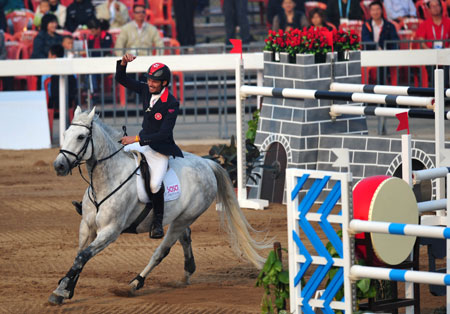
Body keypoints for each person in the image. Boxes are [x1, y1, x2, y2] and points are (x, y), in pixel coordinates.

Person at [116, 53, 184, 239]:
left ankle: (157, 222)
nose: (150, 83)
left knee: (154, 184)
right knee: (116, 158)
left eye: (155, 81)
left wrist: (136, 139)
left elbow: (162, 134)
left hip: (160, 150)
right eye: (149, 79)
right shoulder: (146, 89)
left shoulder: (171, 104)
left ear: (164, 83)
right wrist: (123, 63)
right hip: (142, 142)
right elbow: (121, 78)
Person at [45, 44, 77, 122]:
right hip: (70, 101)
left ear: (54, 56)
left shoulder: (47, 71)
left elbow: (44, 89)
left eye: (49, 55)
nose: (48, 58)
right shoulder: (71, 70)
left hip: (53, 102)